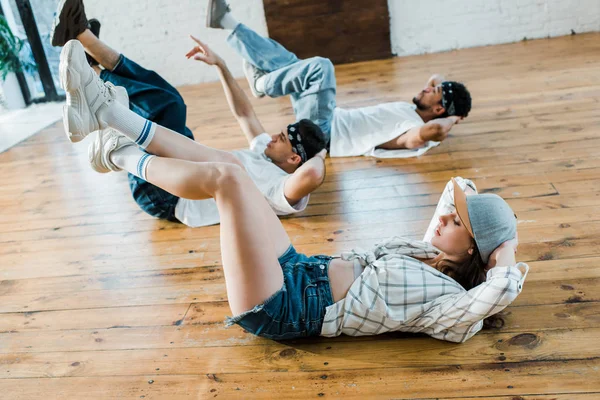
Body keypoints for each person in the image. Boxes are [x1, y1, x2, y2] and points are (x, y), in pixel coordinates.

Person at [59, 39, 528, 343]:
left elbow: (496, 292)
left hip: (285, 308)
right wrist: (478, 226)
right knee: (228, 164)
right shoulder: (427, 251)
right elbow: (456, 188)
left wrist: (503, 251)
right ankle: (106, 114)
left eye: (456, 221)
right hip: (298, 267)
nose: (443, 216)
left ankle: (114, 154)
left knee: (227, 180)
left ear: (474, 249)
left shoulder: (449, 306)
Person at [50, 0, 327, 227]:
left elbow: (312, 175)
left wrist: (322, 151)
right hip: (184, 166)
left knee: (169, 105)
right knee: (166, 98)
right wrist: (220, 65)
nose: (274, 135)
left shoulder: (278, 188)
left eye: (283, 138)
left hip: (166, 195)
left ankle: (89, 55)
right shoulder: (264, 152)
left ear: (294, 158)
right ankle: (88, 51)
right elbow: (245, 114)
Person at [206, 0, 472, 159]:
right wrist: (448, 102)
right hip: (325, 120)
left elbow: (434, 130)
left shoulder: (413, 131)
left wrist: (453, 118)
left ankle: (262, 85)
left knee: (320, 68)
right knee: (293, 65)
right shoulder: (414, 109)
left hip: (324, 134)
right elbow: (437, 78)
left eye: (433, 91)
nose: (427, 87)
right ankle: (227, 22)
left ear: (439, 110)